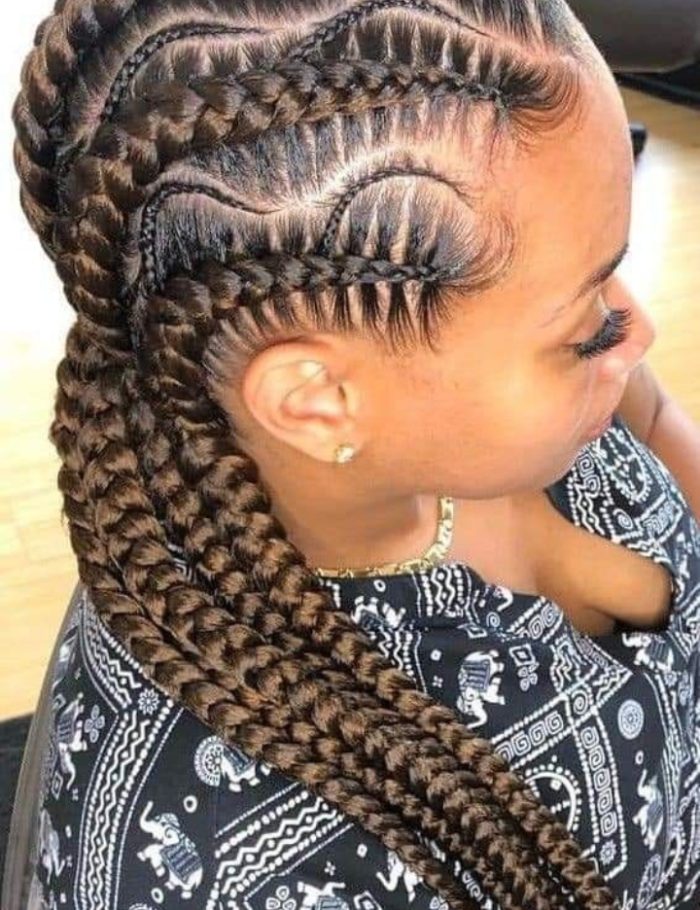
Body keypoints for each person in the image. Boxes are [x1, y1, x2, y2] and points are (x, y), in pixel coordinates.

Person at [4, 0, 700, 907]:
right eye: (584, 326)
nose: (633, 331)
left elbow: (656, 418)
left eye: (611, 269)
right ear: (317, 401)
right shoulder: (212, 869)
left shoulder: (552, 370)